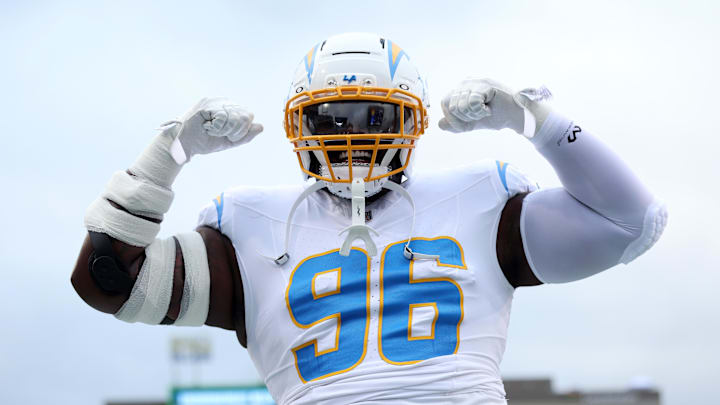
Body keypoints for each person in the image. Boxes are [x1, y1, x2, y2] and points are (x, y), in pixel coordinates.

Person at [71, 32, 667, 405]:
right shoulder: (248, 225)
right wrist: (168, 152)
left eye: (370, 116)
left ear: (410, 121)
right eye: (331, 119)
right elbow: (108, 282)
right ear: (299, 125)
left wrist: (537, 118)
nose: (350, 135)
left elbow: (633, 222)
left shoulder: (482, 200)